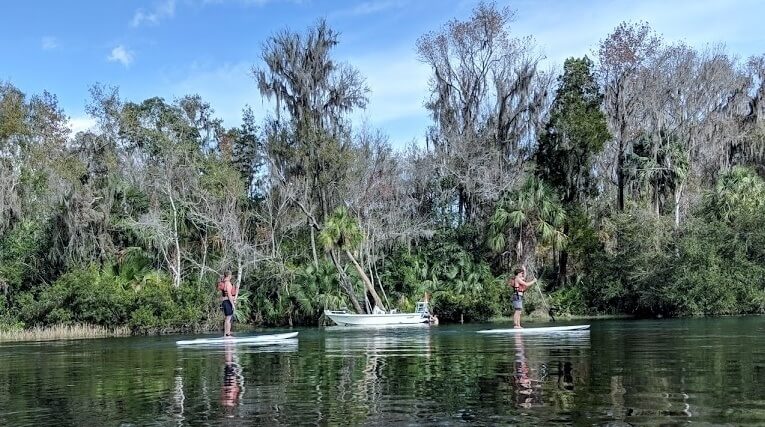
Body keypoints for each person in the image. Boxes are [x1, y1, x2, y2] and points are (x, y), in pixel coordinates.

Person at [218, 271, 237, 337]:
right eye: (231, 275)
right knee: (228, 318)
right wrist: (232, 304)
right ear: (229, 275)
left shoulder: (223, 282)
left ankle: (226, 334)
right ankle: (228, 334)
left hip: (224, 302)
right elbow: (229, 294)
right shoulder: (228, 283)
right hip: (227, 302)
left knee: (227, 318)